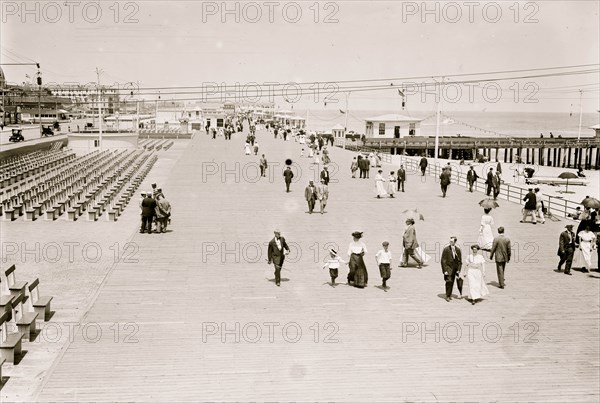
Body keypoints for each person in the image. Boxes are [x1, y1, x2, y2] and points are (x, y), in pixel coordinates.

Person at [441, 237, 463, 302]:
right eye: (450, 241)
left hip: (455, 269)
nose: (450, 242)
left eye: (452, 241)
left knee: (452, 282)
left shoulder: (458, 250)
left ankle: (449, 294)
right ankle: (447, 296)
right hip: (448, 269)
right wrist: (445, 270)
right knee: (449, 281)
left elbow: (460, 261)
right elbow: (443, 260)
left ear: (455, 242)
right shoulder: (446, 249)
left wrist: (459, 269)